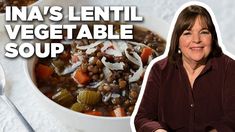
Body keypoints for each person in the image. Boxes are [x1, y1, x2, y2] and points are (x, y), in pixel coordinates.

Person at [134, 3, 235, 132]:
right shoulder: (160, 70)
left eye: (204, 32)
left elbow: (232, 118)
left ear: (212, 38)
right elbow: (143, 118)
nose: (196, 40)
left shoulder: (229, 68)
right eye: (187, 33)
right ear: (177, 40)